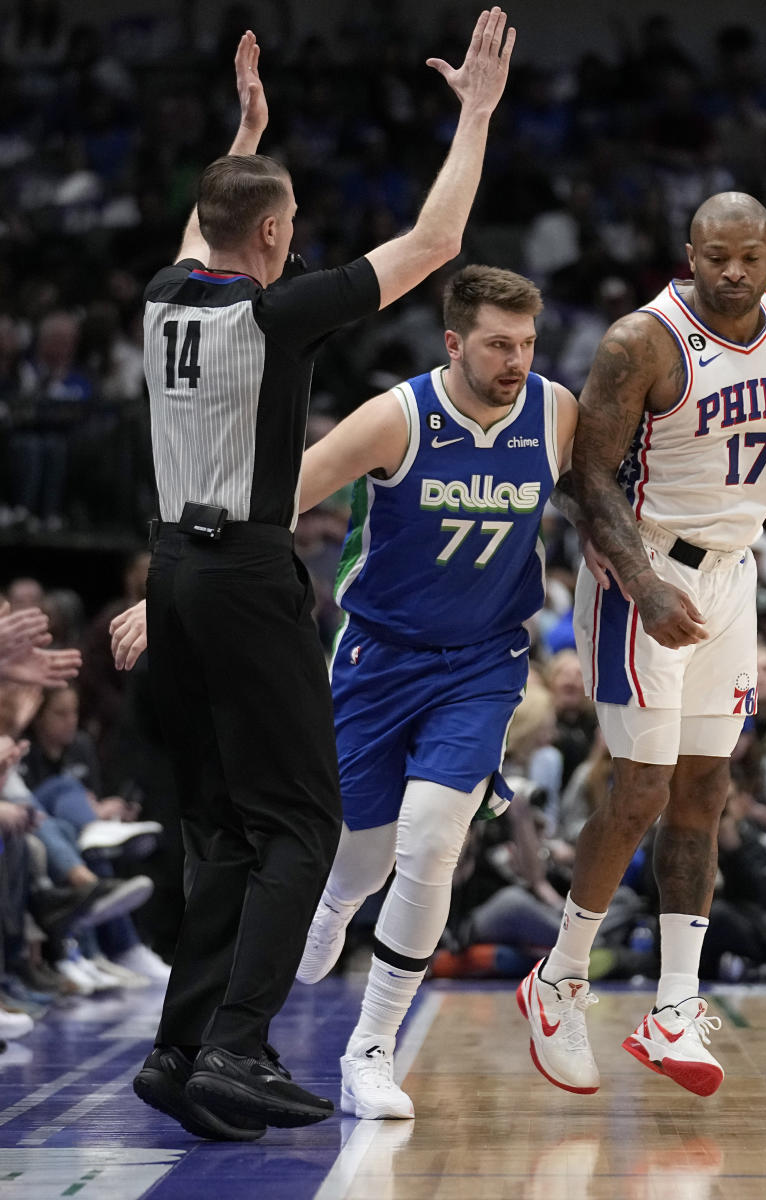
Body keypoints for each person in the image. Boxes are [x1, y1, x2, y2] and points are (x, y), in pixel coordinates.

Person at [125, 16, 517, 1142]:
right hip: (247, 572)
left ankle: (180, 1046)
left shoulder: (162, 296)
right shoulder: (275, 309)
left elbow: (210, 223)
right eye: (287, 229)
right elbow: (438, 239)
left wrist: (249, 133)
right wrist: (476, 113)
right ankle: (240, 1049)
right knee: (304, 817)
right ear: (278, 234)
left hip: (169, 572)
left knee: (223, 830)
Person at [111, 264, 597, 1117]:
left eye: (527, 343)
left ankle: (370, 1051)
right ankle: (338, 900)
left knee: (435, 836)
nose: (517, 359)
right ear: (454, 343)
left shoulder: (556, 413)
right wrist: (172, 594)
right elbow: (269, 499)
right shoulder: (398, 417)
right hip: (377, 658)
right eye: (497, 344)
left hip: (482, 662)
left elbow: (605, 501)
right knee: (362, 854)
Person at [518, 191, 766, 1099]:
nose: (733, 272)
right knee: (642, 785)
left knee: (707, 788)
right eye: (715, 256)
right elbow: (584, 478)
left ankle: (674, 1009)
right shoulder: (639, 342)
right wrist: (645, 587)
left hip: (734, 574)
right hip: (639, 567)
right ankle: (560, 975)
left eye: (750, 257)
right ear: (689, 252)